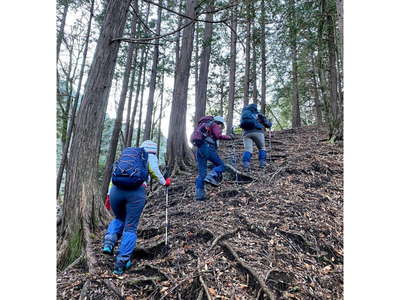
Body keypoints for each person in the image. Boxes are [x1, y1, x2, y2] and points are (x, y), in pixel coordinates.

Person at [102, 140, 171, 275]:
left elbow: (113, 176)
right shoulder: (148, 157)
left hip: (116, 191)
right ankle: (121, 263)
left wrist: (109, 196)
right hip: (136, 192)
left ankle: (109, 242)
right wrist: (165, 182)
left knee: (119, 218)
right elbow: (155, 172)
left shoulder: (127, 159)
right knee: (131, 226)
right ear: (154, 151)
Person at [194, 116, 232, 201]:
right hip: (207, 148)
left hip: (199, 149)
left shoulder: (203, 125)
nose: (221, 128)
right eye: (221, 126)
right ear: (220, 123)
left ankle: (199, 196)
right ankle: (211, 176)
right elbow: (218, 135)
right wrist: (229, 137)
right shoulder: (214, 124)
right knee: (222, 165)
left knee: (201, 174)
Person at [240, 104, 272, 170]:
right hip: (258, 132)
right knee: (262, 148)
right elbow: (268, 124)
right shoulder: (258, 114)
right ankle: (262, 164)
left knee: (248, 150)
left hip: (246, 133)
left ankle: (246, 165)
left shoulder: (245, 113)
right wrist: (269, 122)